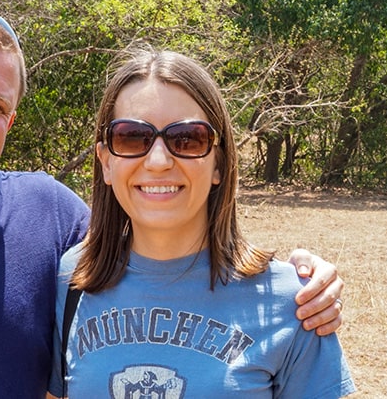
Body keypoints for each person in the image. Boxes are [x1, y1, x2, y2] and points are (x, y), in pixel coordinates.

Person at [0, 3, 345, 398]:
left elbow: (165, 241)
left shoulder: (47, 218)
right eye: (132, 137)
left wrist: (304, 278)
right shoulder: (72, 273)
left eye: (189, 139)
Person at [48, 48, 356, 397]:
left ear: (219, 164)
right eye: (132, 137)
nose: (159, 160)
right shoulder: (71, 281)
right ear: (106, 162)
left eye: (188, 139)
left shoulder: (296, 301)